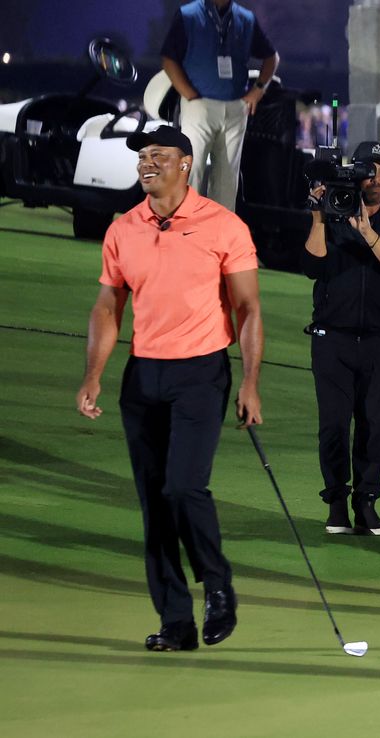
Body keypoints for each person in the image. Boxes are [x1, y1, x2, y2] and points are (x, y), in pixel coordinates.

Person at [74, 125, 263, 652]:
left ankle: (217, 582)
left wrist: (249, 380)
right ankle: (176, 622)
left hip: (201, 374)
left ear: (186, 163)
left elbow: (247, 308)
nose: (146, 163)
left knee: (183, 487)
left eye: (158, 155)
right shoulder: (124, 229)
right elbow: (109, 307)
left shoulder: (223, 227)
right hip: (143, 376)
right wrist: (94, 373)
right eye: (142, 156)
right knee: (154, 505)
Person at [301, 141, 380, 537]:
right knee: (333, 424)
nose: (378, 178)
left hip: (379, 341)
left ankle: (366, 504)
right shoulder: (332, 216)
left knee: (373, 425)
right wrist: (318, 217)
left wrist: (366, 231)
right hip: (332, 338)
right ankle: (336, 503)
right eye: (371, 171)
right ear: (358, 176)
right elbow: (312, 266)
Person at [160, 0, 279, 210]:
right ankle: (183, 230)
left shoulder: (245, 18)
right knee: (191, 170)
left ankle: (218, 238)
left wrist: (257, 90)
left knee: (227, 180)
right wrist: (189, 94)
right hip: (199, 106)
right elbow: (169, 59)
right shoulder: (188, 15)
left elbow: (271, 57)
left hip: (235, 108)